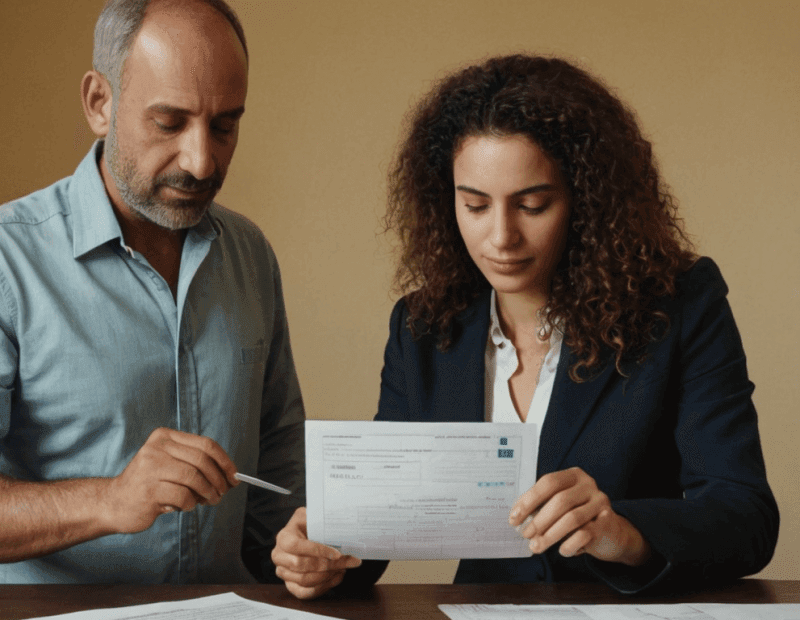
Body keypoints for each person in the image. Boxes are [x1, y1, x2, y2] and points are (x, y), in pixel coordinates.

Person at [272, 54, 778, 598]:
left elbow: (745, 515)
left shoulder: (681, 308)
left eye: (532, 205)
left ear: (586, 201)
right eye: (475, 205)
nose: (501, 238)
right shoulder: (422, 328)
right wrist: (323, 552)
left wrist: (623, 534)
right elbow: (389, 514)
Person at [0, 0, 305, 584]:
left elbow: (280, 483)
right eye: (169, 123)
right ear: (99, 103)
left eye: (225, 125)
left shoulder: (251, 255)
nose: (202, 159)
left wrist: (307, 551)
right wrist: (108, 500)